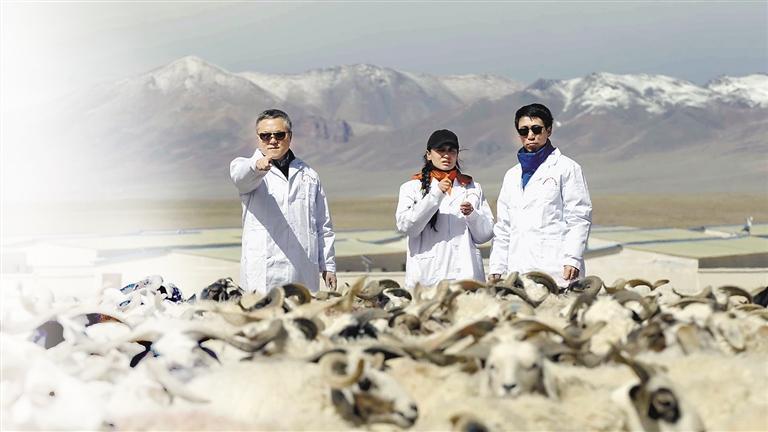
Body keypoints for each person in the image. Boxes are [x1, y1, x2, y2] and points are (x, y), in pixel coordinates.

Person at [230, 109, 336, 294]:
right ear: (258, 138)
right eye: (265, 136)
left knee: (302, 311)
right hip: (263, 272)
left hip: (302, 270)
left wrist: (328, 265)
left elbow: (322, 225)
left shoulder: (309, 175)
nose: (273, 140)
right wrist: (256, 167)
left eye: (279, 135)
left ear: (290, 136)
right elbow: (240, 178)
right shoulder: (246, 168)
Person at [488, 103, 592, 288]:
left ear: (549, 130)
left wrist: (573, 258)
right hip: (517, 273)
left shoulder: (567, 168)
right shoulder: (511, 175)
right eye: (523, 131)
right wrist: (497, 267)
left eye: (536, 129)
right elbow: (504, 226)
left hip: (556, 270)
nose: (530, 135)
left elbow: (578, 218)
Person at [396, 129, 495, 289]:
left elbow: (485, 235)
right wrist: (435, 195)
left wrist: (472, 215)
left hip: (466, 276)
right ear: (429, 154)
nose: (446, 155)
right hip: (428, 278)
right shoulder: (411, 188)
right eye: (440, 150)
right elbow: (407, 227)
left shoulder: (472, 187)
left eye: (451, 150)